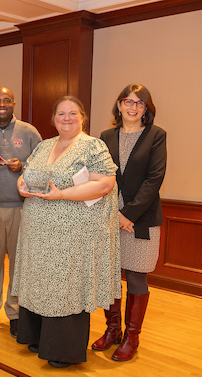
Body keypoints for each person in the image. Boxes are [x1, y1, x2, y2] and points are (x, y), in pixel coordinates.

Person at [13, 96, 121, 368]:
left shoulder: (92, 146)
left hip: (71, 234)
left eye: (73, 113)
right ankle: (37, 336)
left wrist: (63, 194)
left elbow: (105, 184)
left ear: (82, 117)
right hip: (38, 231)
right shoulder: (44, 145)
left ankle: (62, 350)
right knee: (40, 281)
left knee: (65, 287)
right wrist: (21, 186)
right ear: (54, 118)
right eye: (61, 114)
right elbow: (26, 174)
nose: (67, 118)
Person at [96, 84, 167, 361]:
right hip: (109, 217)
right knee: (111, 276)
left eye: (140, 103)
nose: (133, 107)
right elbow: (101, 176)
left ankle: (131, 337)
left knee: (136, 277)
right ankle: (112, 330)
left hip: (142, 219)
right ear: (119, 104)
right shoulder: (105, 136)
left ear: (146, 108)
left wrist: (128, 215)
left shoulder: (156, 135)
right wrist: (115, 214)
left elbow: (154, 180)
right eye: (128, 101)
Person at [0, 87, 42, 337]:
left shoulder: (29, 132)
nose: (1, 105)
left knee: (17, 265)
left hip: (21, 209)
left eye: (6, 101)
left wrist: (23, 167)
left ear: (14, 103)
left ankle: (14, 312)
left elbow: (42, 167)